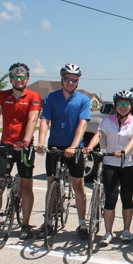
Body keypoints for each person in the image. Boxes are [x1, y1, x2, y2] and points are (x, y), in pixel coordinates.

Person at [0, 63, 41, 242]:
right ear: (10, 78)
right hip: (5, 144)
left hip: (24, 147)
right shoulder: (2, 95)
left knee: (26, 186)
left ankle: (25, 224)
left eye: (22, 76)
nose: (19, 79)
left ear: (27, 78)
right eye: (15, 76)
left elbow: (32, 119)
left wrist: (26, 141)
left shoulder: (33, 96)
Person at [36, 63, 91, 240]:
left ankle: (82, 223)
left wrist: (74, 146)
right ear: (62, 79)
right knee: (51, 184)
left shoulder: (84, 99)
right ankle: (49, 222)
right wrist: (41, 143)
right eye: (67, 78)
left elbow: (83, 124)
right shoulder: (52, 97)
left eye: (74, 79)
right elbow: (45, 120)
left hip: (74, 147)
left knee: (78, 186)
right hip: (54, 145)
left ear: (77, 81)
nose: (70, 82)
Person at [84, 90, 133, 246]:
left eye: (126, 104)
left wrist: (124, 152)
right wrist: (89, 147)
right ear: (115, 105)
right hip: (110, 163)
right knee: (110, 199)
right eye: (120, 103)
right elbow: (99, 135)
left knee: (127, 198)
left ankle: (126, 230)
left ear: (131, 106)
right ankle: (108, 233)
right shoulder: (107, 121)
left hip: (128, 164)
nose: (123, 107)